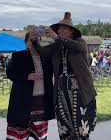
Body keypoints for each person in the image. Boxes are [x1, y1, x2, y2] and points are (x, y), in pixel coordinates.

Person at [34, 12, 97, 140]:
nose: (60, 30)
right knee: (64, 124)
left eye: (63, 28)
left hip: (79, 90)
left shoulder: (80, 42)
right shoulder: (57, 45)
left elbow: (77, 47)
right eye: (59, 29)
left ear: (71, 31)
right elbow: (43, 52)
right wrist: (34, 40)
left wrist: (57, 37)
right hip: (61, 89)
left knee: (81, 124)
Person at [6, 32, 54, 140]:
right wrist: (26, 76)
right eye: (31, 40)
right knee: (19, 136)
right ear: (26, 42)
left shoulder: (46, 58)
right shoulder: (18, 56)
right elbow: (9, 73)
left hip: (41, 104)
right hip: (22, 103)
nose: (34, 42)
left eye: (36, 40)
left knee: (41, 136)